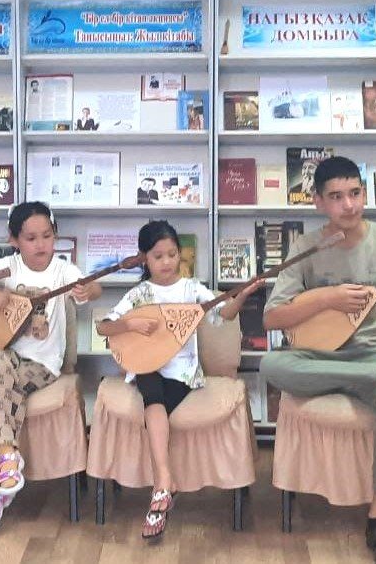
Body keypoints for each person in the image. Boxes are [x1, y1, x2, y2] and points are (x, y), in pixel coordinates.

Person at [259, 156, 376, 564]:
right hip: (318, 354)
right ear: (318, 202)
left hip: (374, 353)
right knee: (270, 365)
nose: (348, 205)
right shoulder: (306, 247)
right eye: (336, 197)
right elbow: (272, 318)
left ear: (364, 193)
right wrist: (327, 298)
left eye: (355, 193)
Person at [96, 220, 260, 539]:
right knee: (149, 384)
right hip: (146, 366)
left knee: (154, 401)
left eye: (172, 254)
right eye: (158, 256)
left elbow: (223, 315)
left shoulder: (191, 289)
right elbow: (104, 327)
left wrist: (241, 296)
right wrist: (130, 325)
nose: (167, 262)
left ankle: (163, 484)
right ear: (144, 258)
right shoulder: (140, 293)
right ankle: (163, 482)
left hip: (181, 373)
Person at [0, 201, 101, 532]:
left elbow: (94, 288)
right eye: (31, 238)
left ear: (55, 235)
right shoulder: (7, 268)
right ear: (14, 240)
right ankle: (6, 459)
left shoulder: (63, 270)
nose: (40, 245)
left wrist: (87, 289)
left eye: (47, 236)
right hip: (5, 359)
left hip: (43, 365)